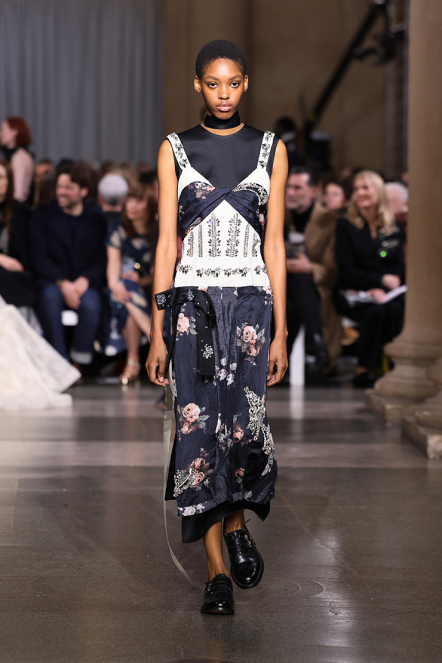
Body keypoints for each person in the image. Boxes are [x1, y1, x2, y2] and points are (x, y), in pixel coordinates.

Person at [146, 40, 288, 615]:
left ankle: (236, 524)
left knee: (244, 428)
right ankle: (216, 573)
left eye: (233, 83)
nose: (223, 93)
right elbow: (166, 244)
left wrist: (281, 330)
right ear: (198, 85)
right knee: (198, 434)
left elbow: (275, 245)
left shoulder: (271, 149)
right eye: (213, 83)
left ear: (246, 83)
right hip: (192, 309)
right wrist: (156, 329)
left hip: (252, 305)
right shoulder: (174, 149)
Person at [29, 162, 107, 369]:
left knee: (92, 304)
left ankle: (80, 362)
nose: (61, 192)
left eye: (68, 187)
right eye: (59, 187)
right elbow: (39, 257)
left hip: (84, 283)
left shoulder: (96, 220)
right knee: (50, 297)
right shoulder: (42, 216)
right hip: (52, 281)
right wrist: (62, 283)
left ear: (83, 191)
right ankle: (60, 363)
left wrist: (85, 279)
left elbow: (101, 259)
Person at [334, 170, 405, 388]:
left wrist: (387, 285)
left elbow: (399, 265)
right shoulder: (346, 226)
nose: (360, 193)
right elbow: (346, 269)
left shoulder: (393, 226)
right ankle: (363, 369)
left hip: (389, 293)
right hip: (354, 291)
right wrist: (379, 282)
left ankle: (397, 366)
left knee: (396, 309)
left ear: (378, 191)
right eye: (356, 189)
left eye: (366, 188)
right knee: (376, 311)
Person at [285, 166, 341, 370]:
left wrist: (309, 267)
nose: (290, 193)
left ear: (313, 192)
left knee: (294, 298)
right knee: (291, 293)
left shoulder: (330, 221)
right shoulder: (277, 216)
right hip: (279, 282)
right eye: (288, 187)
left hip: (316, 286)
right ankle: (316, 339)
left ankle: (280, 364)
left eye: (297, 188)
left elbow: (333, 269)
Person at [106, 182, 156, 383]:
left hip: (152, 287)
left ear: (150, 205)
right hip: (123, 288)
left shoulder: (157, 229)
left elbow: (163, 270)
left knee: (127, 294)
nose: (132, 206)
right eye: (130, 200)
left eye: (139, 201)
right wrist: (113, 284)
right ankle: (155, 338)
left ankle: (133, 361)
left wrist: (142, 280)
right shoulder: (118, 228)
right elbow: (113, 264)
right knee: (124, 290)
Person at [0, 160, 36, 309]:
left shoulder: (21, 212)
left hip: (14, 271)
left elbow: (26, 253)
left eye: (1, 177)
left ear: (9, 182)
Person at [0, 117, 34, 203]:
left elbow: (18, 192)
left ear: (14, 132)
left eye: (3, 130)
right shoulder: (11, 155)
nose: (1, 134)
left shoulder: (19, 157)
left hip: (15, 206)